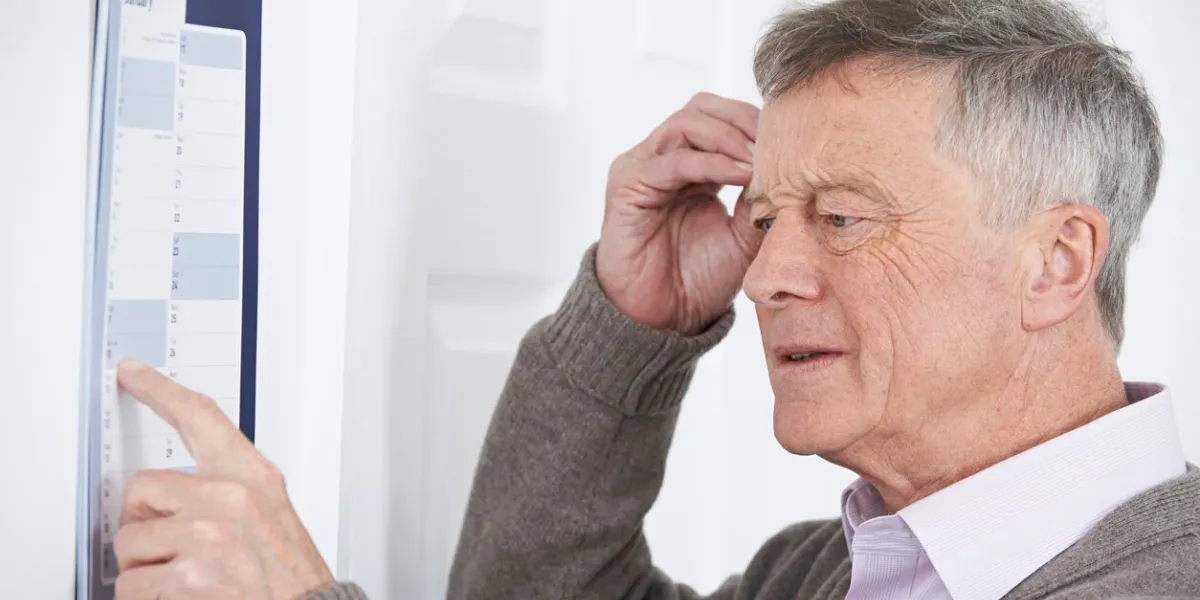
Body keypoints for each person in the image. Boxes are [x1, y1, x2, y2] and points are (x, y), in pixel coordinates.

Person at [107, 0, 1199, 598]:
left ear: (1056, 261)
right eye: (767, 216)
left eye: (845, 217)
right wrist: (636, 329)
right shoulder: (836, 570)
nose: (768, 273)